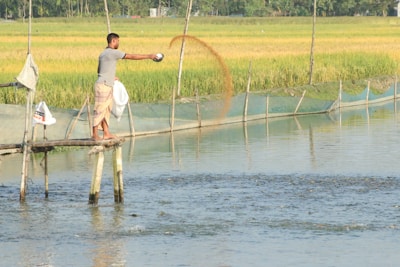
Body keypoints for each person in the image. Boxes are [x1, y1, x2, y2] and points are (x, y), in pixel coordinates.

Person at [92, 32, 159, 140]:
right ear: (113, 41)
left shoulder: (103, 53)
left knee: (107, 109)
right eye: (118, 41)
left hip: (107, 83)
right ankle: (95, 134)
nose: (118, 43)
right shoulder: (112, 52)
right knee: (100, 109)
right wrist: (149, 56)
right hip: (103, 85)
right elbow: (131, 56)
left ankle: (106, 133)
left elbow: (99, 70)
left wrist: (111, 77)